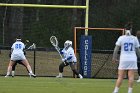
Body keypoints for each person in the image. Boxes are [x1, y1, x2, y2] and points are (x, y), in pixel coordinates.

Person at [112, 29, 140, 93]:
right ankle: (130, 91)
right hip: (132, 59)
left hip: (123, 59)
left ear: (125, 30)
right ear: (131, 30)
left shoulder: (121, 38)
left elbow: (116, 49)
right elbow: (138, 50)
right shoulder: (135, 38)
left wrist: (114, 57)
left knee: (120, 77)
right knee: (131, 76)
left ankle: (115, 91)